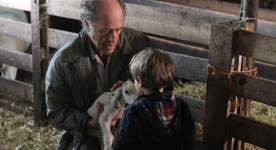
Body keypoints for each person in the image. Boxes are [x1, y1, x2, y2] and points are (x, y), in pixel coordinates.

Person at [45, 0, 149, 149]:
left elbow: (156, 87)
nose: (113, 38)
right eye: (106, 31)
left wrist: (127, 105)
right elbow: (56, 110)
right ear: (87, 25)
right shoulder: (63, 62)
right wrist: (88, 123)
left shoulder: (138, 45)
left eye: (118, 30)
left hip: (131, 126)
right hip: (90, 134)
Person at [113, 48, 196, 150]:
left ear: (139, 81)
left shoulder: (133, 112)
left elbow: (120, 146)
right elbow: (190, 142)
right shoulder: (182, 107)